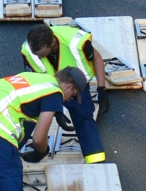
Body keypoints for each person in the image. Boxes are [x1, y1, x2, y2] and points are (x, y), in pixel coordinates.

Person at [21, 23, 109, 164]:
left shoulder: (76, 43)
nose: (39, 57)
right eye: (37, 55)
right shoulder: (30, 50)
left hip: (75, 85)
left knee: (83, 117)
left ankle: (95, 159)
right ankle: (26, 151)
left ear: (53, 43)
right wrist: (56, 110)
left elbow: (97, 58)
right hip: (48, 87)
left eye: (42, 54)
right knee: (29, 113)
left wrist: (101, 88)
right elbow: (33, 79)